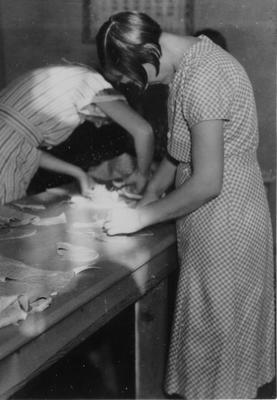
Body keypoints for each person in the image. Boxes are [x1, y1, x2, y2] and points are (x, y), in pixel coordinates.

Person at [96, 11, 274, 399]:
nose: (134, 88)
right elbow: (179, 157)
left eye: (130, 78)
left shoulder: (205, 78)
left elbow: (208, 182)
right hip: (212, 217)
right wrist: (145, 199)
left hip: (226, 216)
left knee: (220, 342)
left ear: (146, 55)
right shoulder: (189, 62)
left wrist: (140, 217)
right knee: (210, 336)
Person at [0, 63, 154, 222]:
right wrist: (142, 175)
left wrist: (78, 174)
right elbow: (143, 131)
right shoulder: (92, 84)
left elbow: (29, 150)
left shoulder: (68, 79)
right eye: (107, 119)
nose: (99, 126)